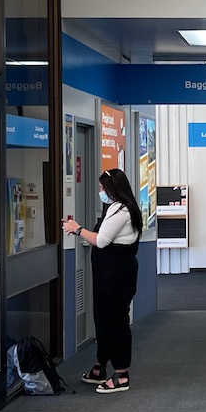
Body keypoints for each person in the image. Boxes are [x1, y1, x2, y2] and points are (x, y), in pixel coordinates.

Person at [63, 168, 143, 393]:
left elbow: (101, 240)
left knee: (115, 321)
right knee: (103, 319)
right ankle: (100, 366)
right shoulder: (114, 208)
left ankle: (121, 374)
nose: (100, 191)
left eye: (102, 188)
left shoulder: (123, 211)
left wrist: (76, 229)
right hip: (107, 275)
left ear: (112, 188)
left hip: (116, 277)